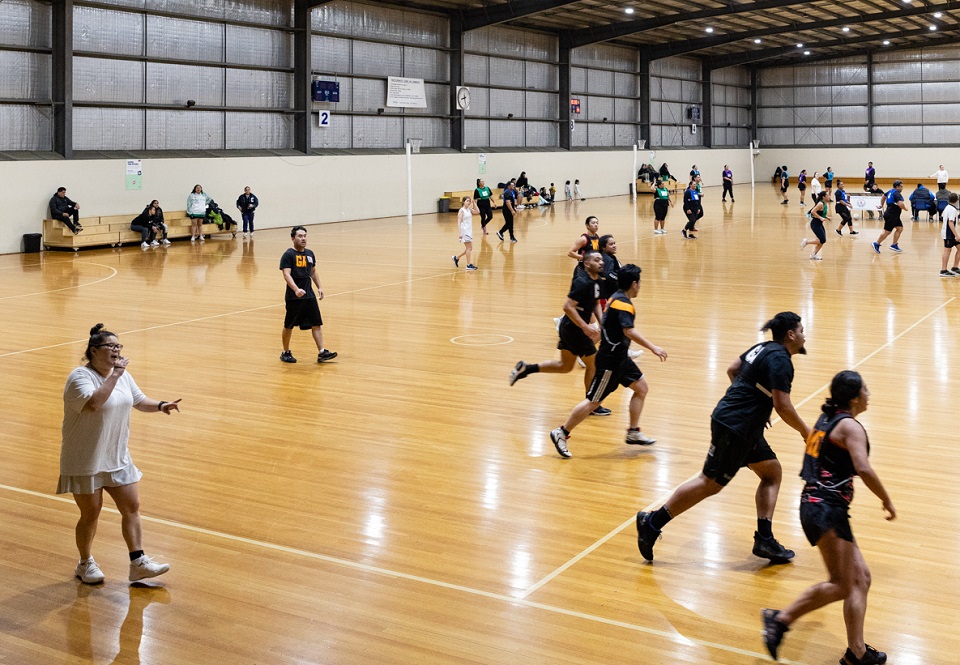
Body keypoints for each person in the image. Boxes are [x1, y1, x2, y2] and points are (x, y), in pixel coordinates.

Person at [636, 312, 810, 563]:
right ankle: (652, 522)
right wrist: (806, 432)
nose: (805, 336)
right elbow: (783, 406)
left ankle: (765, 539)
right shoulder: (782, 361)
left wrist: (749, 401)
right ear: (791, 334)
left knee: (771, 473)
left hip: (743, 425)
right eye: (802, 331)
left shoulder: (762, 348)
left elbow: (733, 369)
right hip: (735, 427)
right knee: (710, 484)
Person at [762, 371, 895, 665]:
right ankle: (780, 620)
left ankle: (856, 653)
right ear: (853, 397)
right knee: (842, 585)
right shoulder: (850, 427)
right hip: (826, 510)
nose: (868, 394)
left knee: (861, 578)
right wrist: (885, 498)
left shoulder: (825, 421)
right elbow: (864, 468)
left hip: (815, 505)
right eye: (865, 390)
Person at [59, 323, 180, 584]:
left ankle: (138, 563)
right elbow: (93, 403)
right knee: (91, 513)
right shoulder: (79, 377)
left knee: (132, 507)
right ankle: (85, 563)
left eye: (118, 346)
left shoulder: (122, 375)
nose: (116, 350)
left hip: (116, 455)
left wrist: (160, 405)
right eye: (110, 346)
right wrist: (115, 376)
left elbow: (138, 400)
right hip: (85, 458)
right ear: (94, 351)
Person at [548, 264, 667, 457]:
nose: (640, 287)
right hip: (610, 361)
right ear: (634, 284)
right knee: (593, 401)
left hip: (620, 358)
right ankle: (561, 432)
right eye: (639, 283)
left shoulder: (616, 297)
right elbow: (629, 331)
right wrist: (653, 347)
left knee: (641, 388)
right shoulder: (623, 304)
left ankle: (633, 432)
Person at [511, 251, 610, 417]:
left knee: (564, 367)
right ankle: (591, 404)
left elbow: (595, 303)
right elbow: (567, 307)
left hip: (571, 328)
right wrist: (585, 327)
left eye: (601, 260)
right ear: (586, 264)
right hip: (574, 329)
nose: (601, 262)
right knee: (593, 365)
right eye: (596, 260)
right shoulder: (582, 282)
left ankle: (526, 369)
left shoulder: (597, 281)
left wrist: (603, 323)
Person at [279, 226, 337, 364]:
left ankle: (322, 352)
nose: (303, 238)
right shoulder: (288, 255)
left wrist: (320, 288)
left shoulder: (310, 254)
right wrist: (296, 289)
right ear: (293, 239)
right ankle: (285, 352)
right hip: (294, 297)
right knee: (289, 325)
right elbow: (286, 275)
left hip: (309, 296)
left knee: (316, 323)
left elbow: (312, 272)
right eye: (300, 236)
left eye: (304, 235)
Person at [872, 180, 906, 254]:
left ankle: (894, 245)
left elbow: (883, 196)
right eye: (901, 186)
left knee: (899, 228)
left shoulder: (891, 191)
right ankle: (876, 243)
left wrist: (881, 205)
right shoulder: (897, 193)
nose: (902, 188)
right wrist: (905, 208)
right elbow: (900, 204)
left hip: (894, 215)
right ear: (897, 187)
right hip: (891, 215)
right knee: (887, 231)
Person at [801, 190, 830, 260]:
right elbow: (812, 211)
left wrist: (826, 217)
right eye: (827, 195)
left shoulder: (824, 204)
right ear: (823, 197)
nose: (829, 196)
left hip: (819, 224)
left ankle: (813, 255)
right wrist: (820, 218)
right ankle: (806, 242)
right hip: (815, 224)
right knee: (822, 240)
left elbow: (821, 213)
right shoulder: (820, 204)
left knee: (822, 240)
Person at [452, 196, 479, 271]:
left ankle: (456, 258)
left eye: (469, 201)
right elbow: (458, 222)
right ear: (463, 201)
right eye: (467, 201)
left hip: (469, 230)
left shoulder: (469, 209)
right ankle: (468, 265)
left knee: (469, 248)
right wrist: (460, 233)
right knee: (469, 248)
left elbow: (477, 212)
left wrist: (474, 203)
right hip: (464, 231)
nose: (469, 202)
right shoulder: (462, 210)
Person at [940, 192, 960, 277]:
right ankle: (943, 270)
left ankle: (955, 267)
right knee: (947, 251)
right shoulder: (952, 210)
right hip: (949, 234)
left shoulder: (947, 207)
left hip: (950, 233)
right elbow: (950, 223)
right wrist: (956, 235)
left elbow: (942, 216)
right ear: (957, 200)